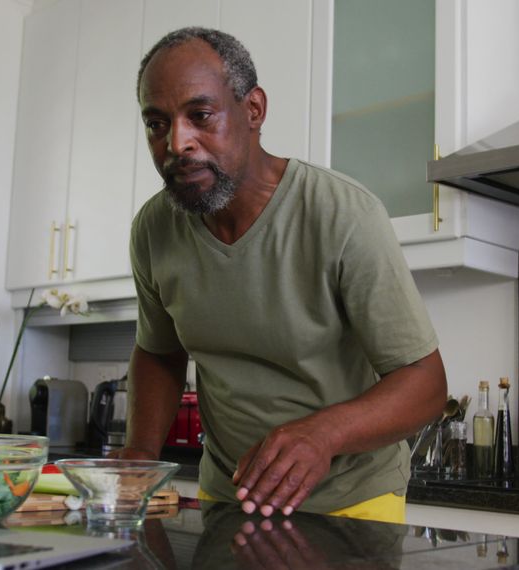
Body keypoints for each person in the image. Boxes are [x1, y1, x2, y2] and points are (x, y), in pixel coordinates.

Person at [116, 26, 447, 524]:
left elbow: (425, 383)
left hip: (351, 503)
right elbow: (160, 353)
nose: (176, 143)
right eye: (156, 124)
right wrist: (140, 452)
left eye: (200, 116)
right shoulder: (154, 229)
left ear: (253, 110)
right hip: (227, 497)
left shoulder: (343, 214)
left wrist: (323, 433)